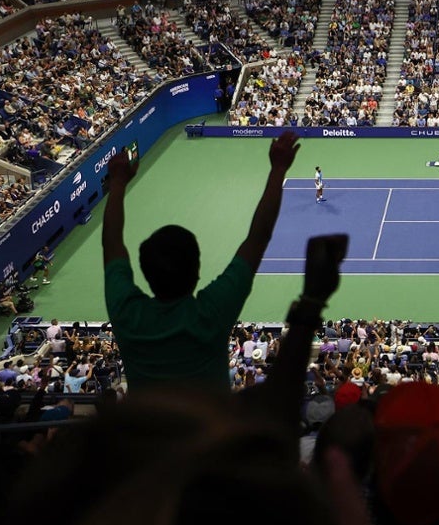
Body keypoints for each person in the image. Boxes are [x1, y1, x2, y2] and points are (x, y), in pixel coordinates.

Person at [102, 131, 301, 391]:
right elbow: (259, 236)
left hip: (146, 432)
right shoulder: (211, 314)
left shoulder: (127, 313)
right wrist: (278, 168)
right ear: (196, 271)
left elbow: (111, 243)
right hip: (212, 432)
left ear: (145, 272)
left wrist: (117, 185)